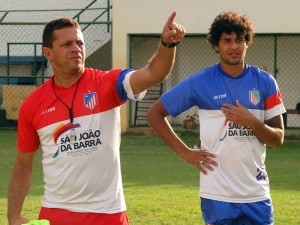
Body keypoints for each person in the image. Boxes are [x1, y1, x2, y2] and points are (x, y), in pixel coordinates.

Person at [7, 11, 186, 225]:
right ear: (48, 53)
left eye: (79, 43)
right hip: (57, 213)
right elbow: (23, 165)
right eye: (67, 44)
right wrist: (14, 216)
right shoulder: (32, 105)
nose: (76, 49)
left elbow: (153, 73)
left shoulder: (107, 83)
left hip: (108, 213)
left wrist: (167, 45)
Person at [147, 11, 286, 225]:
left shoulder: (265, 82)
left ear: (247, 42)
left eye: (239, 40)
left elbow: (277, 139)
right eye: (227, 41)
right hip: (217, 196)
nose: (234, 46)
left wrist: (251, 121)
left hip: (256, 194)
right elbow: (155, 113)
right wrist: (186, 153)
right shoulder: (201, 82)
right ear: (216, 45)